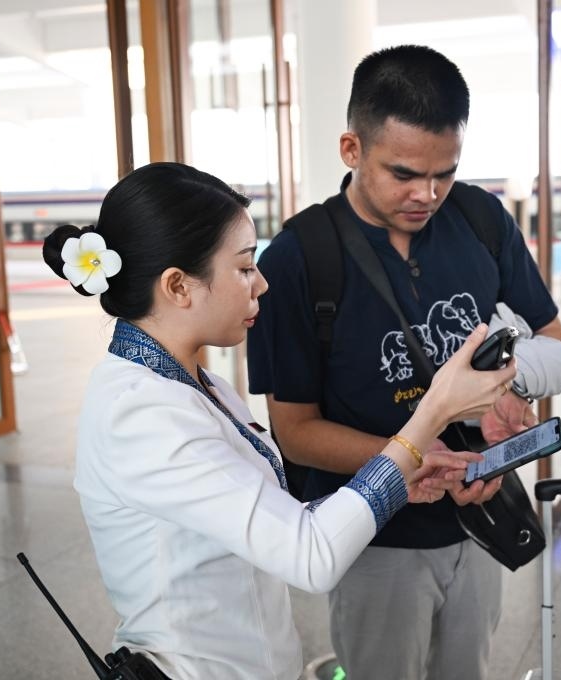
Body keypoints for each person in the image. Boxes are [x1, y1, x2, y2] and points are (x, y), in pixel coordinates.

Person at [42, 161, 516, 680]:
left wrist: (400, 482)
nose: (262, 284)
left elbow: (267, 520)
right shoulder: (139, 414)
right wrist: (434, 412)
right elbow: (309, 556)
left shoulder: (195, 384)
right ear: (178, 286)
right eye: (245, 267)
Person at [247, 44, 561, 680]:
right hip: (373, 536)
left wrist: (510, 398)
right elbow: (296, 432)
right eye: (403, 174)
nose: (427, 194)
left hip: (479, 518)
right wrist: (414, 461)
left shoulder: (480, 219)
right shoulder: (297, 260)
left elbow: (551, 338)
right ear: (352, 149)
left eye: (444, 173)